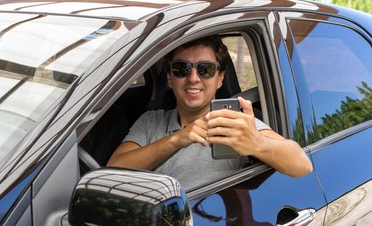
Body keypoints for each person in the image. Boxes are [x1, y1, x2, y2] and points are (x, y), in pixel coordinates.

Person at [107, 35, 312, 190]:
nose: (193, 78)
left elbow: (302, 165)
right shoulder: (151, 121)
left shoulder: (233, 123)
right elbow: (113, 172)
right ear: (170, 78)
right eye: (181, 68)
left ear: (220, 78)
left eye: (205, 69)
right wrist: (179, 139)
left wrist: (257, 143)